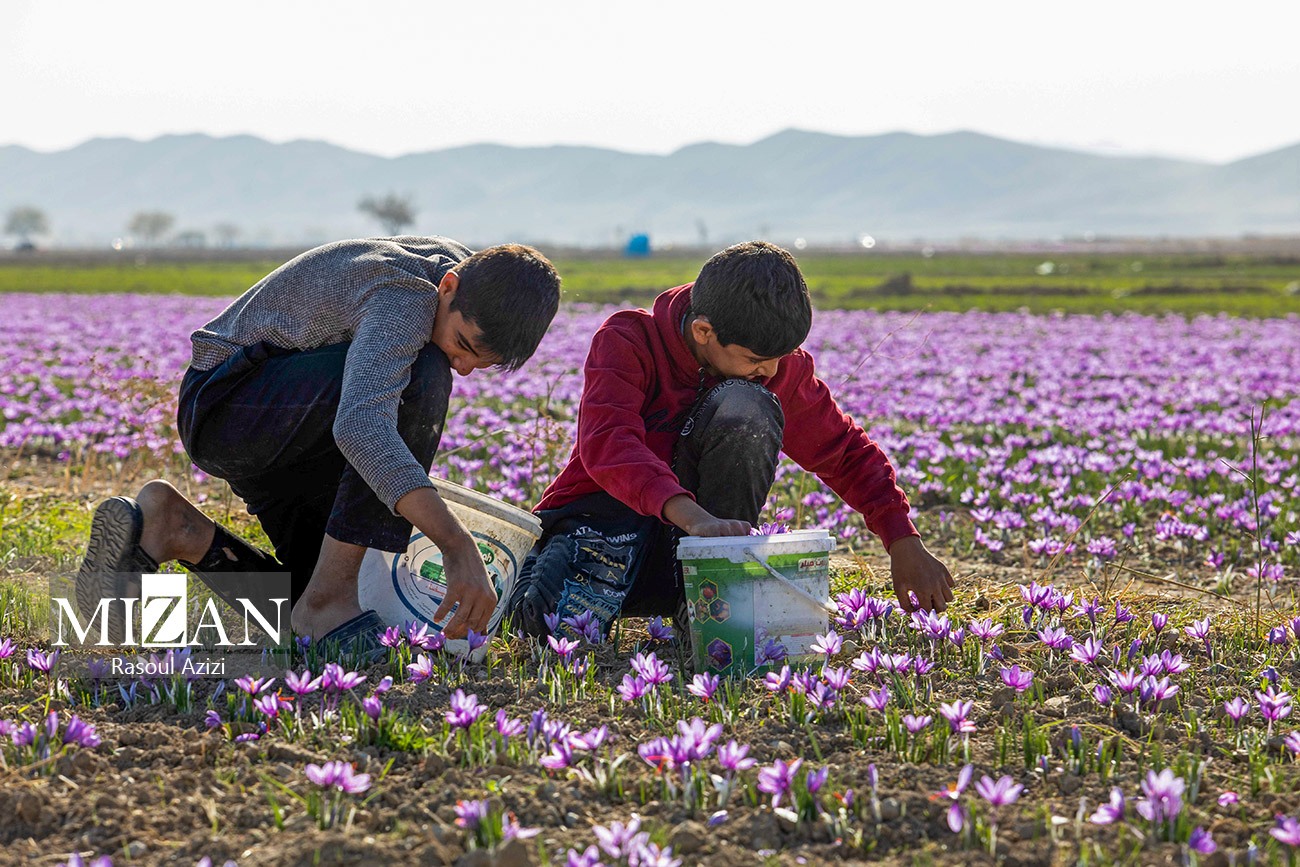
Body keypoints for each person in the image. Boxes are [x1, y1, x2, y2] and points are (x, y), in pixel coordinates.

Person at [76, 236, 561, 651]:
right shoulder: (410, 296)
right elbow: (362, 427)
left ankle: (176, 527)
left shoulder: (471, 284)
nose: (464, 365)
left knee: (320, 601)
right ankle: (329, 601)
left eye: (484, 362)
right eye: (466, 344)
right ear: (449, 286)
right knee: (426, 373)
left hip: (297, 420)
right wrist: (456, 545)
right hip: (228, 407)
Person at [506, 240, 952, 641]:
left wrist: (902, 539)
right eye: (758, 359)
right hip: (606, 525)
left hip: (697, 552)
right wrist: (693, 517)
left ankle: (703, 603)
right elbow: (608, 444)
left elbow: (845, 451)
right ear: (704, 332)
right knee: (542, 629)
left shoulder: (777, 368)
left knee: (747, 406)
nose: (772, 372)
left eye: (781, 358)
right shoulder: (629, 340)